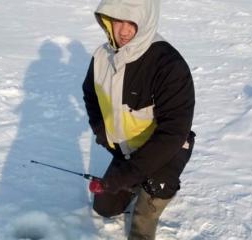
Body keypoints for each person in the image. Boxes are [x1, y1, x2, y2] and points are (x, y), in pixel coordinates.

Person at [82, 0, 195, 239]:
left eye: (132, 23)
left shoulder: (168, 64)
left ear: (146, 21)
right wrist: (101, 130)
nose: (124, 31)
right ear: (107, 20)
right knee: (104, 208)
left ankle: (155, 187)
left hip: (167, 151)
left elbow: (173, 132)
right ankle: (136, 181)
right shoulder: (102, 57)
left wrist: (127, 173)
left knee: (141, 226)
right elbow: (90, 94)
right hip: (127, 152)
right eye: (117, 21)